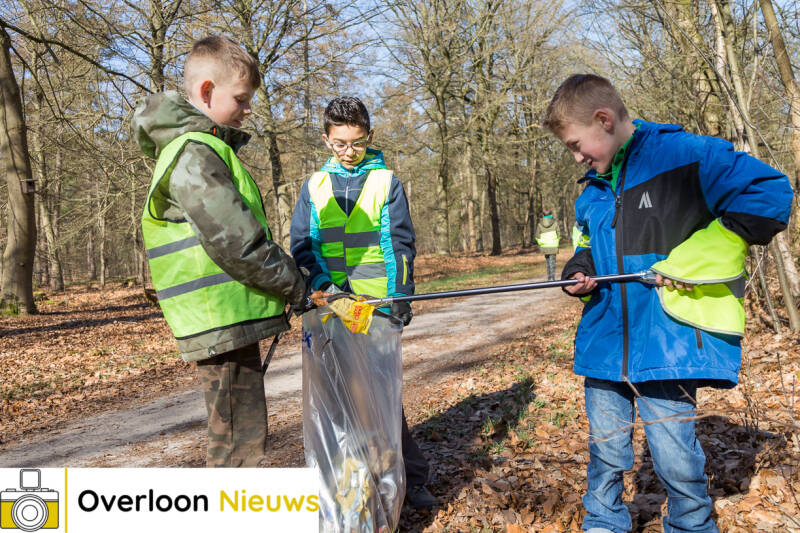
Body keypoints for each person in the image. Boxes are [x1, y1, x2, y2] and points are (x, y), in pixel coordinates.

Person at [542, 74, 793, 533]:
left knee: (674, 450)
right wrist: (578, 271)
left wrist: (694, 260)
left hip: (668, 343)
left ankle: (692, 524)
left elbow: (771, 195)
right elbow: (586, 243)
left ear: (605, 119)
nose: (577, 157)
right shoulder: (591, 190)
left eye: (578, 145)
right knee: (606, 447)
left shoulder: (686, 155)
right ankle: (603, 521)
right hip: (603, 340)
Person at [134, 35, 305, 467]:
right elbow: (238, 242)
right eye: (242, 99)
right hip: (219, 326)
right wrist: (296, 286)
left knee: (240, 442)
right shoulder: (194, 153)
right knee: (236, 451)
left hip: (226, 324)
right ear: (208, 91)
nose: (248, 110)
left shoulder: (203, 148)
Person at [290, 96, 437, 510]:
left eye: (356, 143)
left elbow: (400, 246)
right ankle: (350, 483)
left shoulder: (386, 182)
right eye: (339, 144)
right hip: (328, 309)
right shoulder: (313, 187)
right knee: (341, 397)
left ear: (368, 136)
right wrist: (321, 285)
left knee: (380, 395)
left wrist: (400, 299)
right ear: (325, 140)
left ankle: (410, 477)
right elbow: (303, 247)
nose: (348, 152)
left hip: (375, 309)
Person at [535, 209, 561, 281]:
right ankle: (552, 277)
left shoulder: (540, 224)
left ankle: (549, 277)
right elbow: (559, 234)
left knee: (547, 262)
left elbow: (537, 236)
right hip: (553, 245)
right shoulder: (555, 223)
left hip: (545, 246)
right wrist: (557, 242)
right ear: (551, 214)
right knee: (552, 262)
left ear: (543, 215)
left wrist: (541, 243)